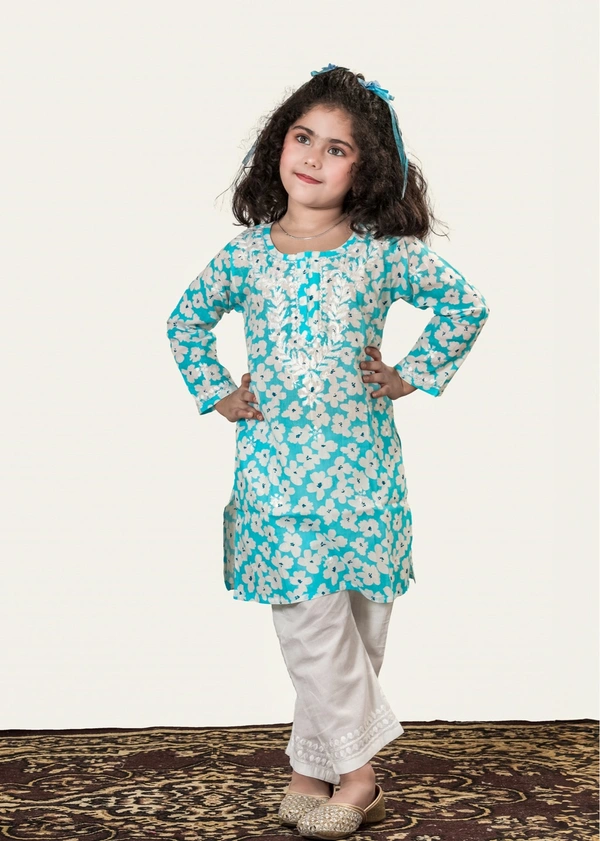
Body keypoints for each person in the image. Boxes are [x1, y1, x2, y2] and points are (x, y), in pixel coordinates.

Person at [166, 63, 490, 840]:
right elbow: (185, 321)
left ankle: (311, 770)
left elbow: (464, 304)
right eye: (302, 137)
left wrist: (410, 375)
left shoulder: (380, 252)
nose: (313, 157)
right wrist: (220, 392)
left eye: (337, 148)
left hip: (365, 474)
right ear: (277, 146)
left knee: (358, 627)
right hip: (277, 475)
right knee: (311, 625)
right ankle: (363, 776)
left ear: (365, 167)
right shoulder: (246, 255)